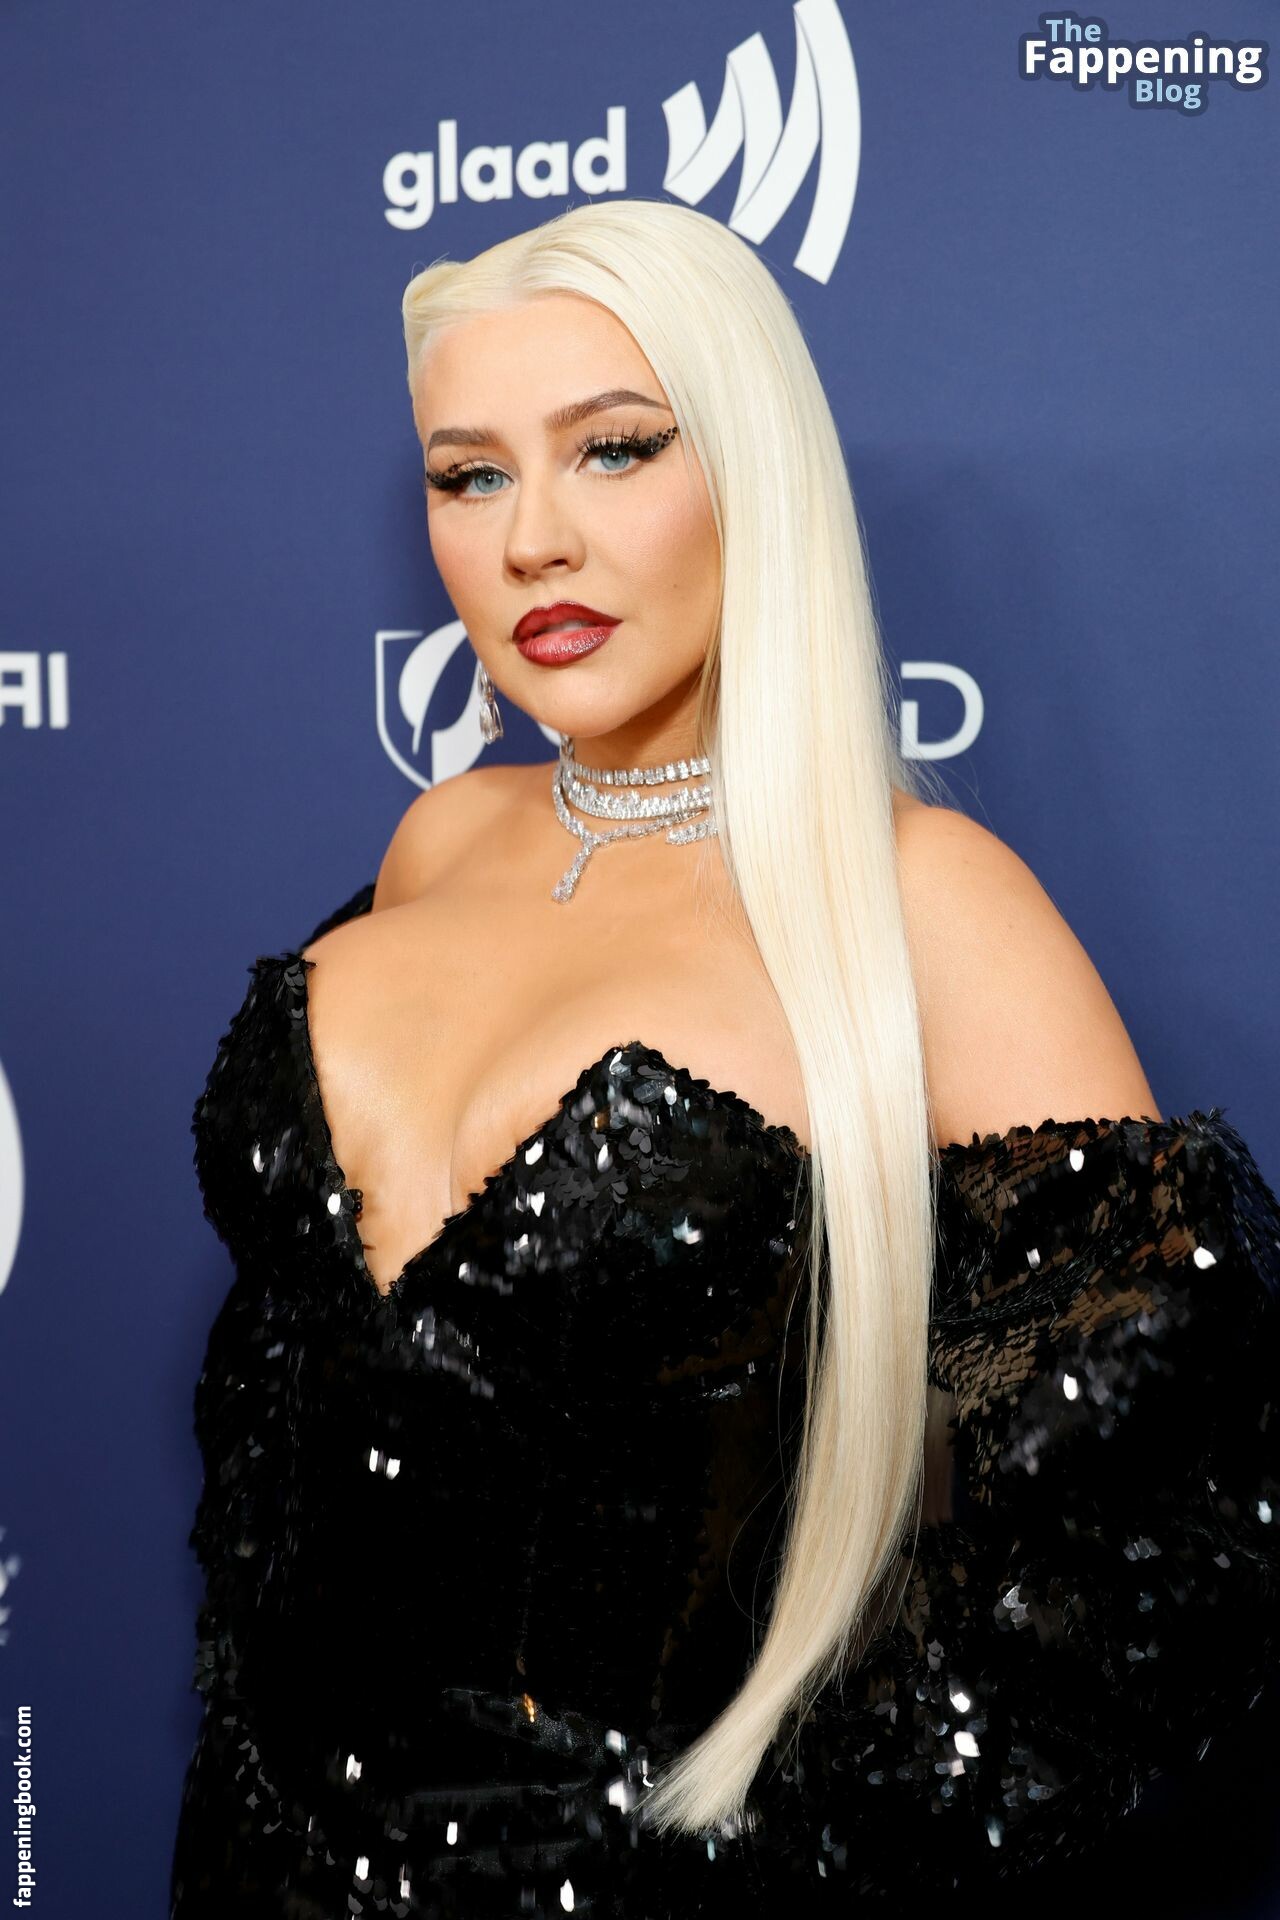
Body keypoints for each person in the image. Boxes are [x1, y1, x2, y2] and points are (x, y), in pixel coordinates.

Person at [169, 199, 1280, 1918]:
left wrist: (761, 1858)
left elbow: (1158, 1545)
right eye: (469, 476)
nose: (533, 539)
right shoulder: (436, 842)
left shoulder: (925, 907)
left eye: (612, 450)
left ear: (753, 469)